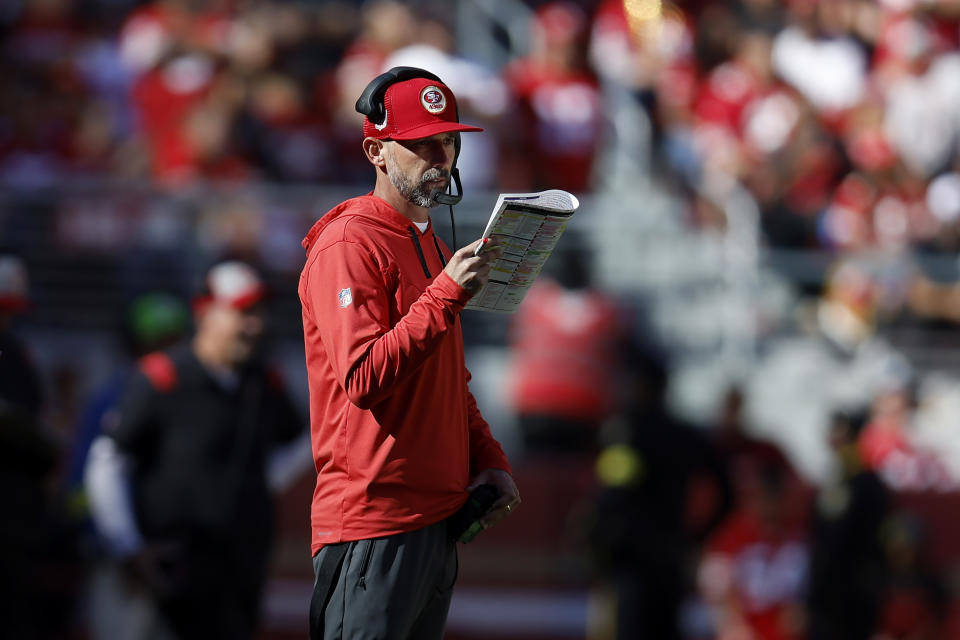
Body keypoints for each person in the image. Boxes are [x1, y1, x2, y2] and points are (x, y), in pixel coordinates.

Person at [299, 66, 520, 640]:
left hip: (435, 520)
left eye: (448, 141)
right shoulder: (349, 242)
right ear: (375, 150)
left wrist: (488, 457)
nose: (440, 156)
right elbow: (363, 376)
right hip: (374, 524)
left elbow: (448, 380)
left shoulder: (434, 244)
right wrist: (445, 292)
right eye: (421, 143)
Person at [84, 260, 303, 640]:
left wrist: (259, 484)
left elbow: (303, 437)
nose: (255, 325)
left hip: (240, 574)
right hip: (168, 578)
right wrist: (127, 545)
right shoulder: (162, 378)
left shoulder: (265, 383)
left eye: (258, 313)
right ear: (206, 313)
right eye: (243, 313)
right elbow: (107, 461)